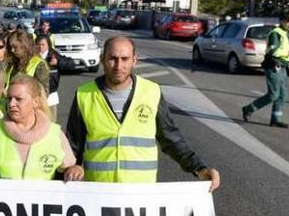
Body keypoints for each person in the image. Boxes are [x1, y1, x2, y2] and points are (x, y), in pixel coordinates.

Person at [64, 37, 221, 190]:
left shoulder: (151, 92)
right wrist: (72, 167)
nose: (118, 66)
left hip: (141, 197)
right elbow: (73, 146)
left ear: (134, 60)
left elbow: (170, 139)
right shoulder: (84, 94)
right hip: (100, 195)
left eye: (125, 59)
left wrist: (199, 168)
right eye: (113, 58)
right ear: (103, 59)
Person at [0, 75, 76, 181]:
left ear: (35, 102)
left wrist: (74, 170)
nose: (11, 104)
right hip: (1, 201)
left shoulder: (54, 133)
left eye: (18, 99)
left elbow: (68, 169)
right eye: (9, 98)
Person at [242, 17, 289, 128]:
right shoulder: (276, 33)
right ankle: (248, 109)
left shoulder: (288, 33)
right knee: (273, 95)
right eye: (287, 21)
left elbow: (284, 48)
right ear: (282, 22)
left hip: (283, 66)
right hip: (274, 66)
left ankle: (276, 119)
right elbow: (271, 50)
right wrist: (275, 59)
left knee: (282, 95)